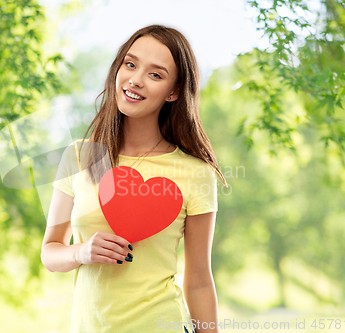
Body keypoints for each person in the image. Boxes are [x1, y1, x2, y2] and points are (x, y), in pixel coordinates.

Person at [41, 24, 228, 333]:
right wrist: (82, 251)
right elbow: (50, 251)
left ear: (174, 92)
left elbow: (198, 282)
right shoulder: (79, 157)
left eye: (155, 74)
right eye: (130, 64)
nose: (136, 80)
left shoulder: (196, 173)